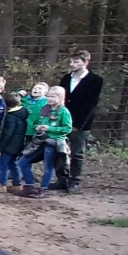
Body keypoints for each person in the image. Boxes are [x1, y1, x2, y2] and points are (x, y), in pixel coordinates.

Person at [55, 49, 103, 193]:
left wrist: (79, 124)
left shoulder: (95, 80)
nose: (72, 64)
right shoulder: (66, 78)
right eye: (71, 61)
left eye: (76, 62)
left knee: (77, 153)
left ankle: (74, 180)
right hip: (62, 121)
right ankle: (61, 179)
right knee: (59, 151)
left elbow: (91, 104)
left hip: (80, 123)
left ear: (85, 63)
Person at [22, 86, 73, 198]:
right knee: (22, 161)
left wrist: (49, 128)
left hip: (54, 142)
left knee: (48, 166)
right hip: (40, 140)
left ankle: (43, 189)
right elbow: (36, 122)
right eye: (48, 96)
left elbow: (67, 129)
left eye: (53, 97)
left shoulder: (64, 111)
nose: (49, 99)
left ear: (60, 98)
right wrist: (37, 127)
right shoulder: (45, 108)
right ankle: (29, 186)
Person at [0, 92, 32, 190]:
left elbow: (7, 133)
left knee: (3, 164)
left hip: (10, 145)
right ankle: (17, 184)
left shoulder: (11, 116)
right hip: (18, 144)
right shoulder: (23, 113)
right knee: (12, 163)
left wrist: (1, 146)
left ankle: (2, 184)